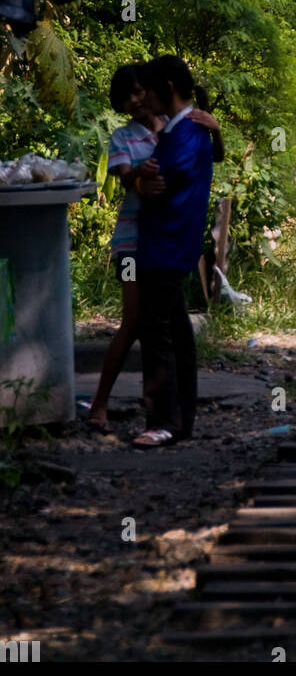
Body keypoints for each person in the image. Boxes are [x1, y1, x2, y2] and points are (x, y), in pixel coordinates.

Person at [87, 64, 222, 432]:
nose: (135, 100)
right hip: (130, 244)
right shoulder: (123, 137)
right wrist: (140, 177)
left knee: (144, 322)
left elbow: (202, 158)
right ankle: (101, 404)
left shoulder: (179, 126)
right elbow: (126, 179)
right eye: (128, 96)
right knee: (133, 321)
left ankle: (143, 410)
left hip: (155, 241)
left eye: (139, 92)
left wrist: (216, 129)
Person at [132, 56, 215, 449]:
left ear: (167, 87)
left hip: (167, 244)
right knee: (176, 329)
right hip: (172, 244)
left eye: (149, 90)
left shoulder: (187, 133)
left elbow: (163, 178)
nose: (144, 99)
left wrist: (145, 176)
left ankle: (164, 420)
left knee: (158, 332)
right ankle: (180, 419)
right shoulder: (190, 128)